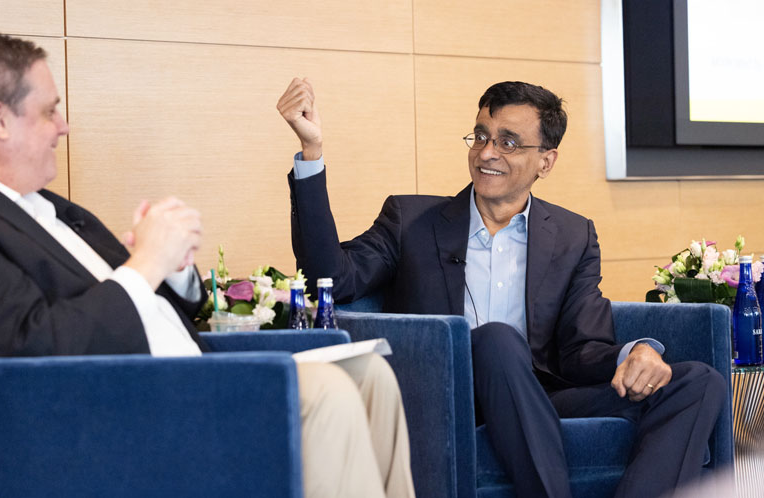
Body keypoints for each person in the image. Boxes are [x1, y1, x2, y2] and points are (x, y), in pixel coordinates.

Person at [0, 33, 415, 498]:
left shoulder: (48, 207)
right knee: (328, 395)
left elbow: (143, 298)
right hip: (114, 419)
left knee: (367, 375)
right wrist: (145, 263)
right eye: (49, 111)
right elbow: (31, 350)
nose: (64, 127)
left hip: (184, 380)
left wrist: (172, 268)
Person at [278, 77, 727, 497]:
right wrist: (312, 151)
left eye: (508, 142)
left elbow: (583, 348)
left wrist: (635, 353)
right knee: (497, 339)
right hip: (449, 392)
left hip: (538, 396)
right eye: (481, 136)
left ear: (546, 161)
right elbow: (331, 280)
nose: (486, 153)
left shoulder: (572, 235)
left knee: (698, 381)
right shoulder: (410, 221)